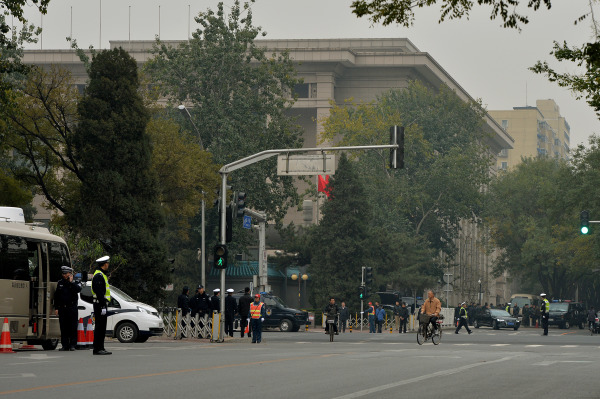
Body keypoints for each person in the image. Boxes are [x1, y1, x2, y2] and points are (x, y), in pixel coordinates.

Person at [54, 266, 82, 351]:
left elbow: (78, 290)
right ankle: (64, 345)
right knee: (63, 327)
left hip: (72, 308)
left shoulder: (75, 282)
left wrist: (71, 282)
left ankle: (73, 345)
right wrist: (56, 308)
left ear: (70, 274)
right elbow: (57, 296)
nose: (64, 275)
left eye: (66, 274)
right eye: (63, 274)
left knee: (72, 327)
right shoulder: (60, 283)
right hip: (63, 308)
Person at [91, 256, 112, 355]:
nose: (108, 265)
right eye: (107, 263)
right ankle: (98, 348)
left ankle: (101, 347)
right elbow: (99, 292)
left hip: (101, 304)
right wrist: (103, 305)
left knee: (102, 327)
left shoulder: (101, 274)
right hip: (100, 304)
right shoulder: (99, 275)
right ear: (105, 264)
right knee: (100, 327)